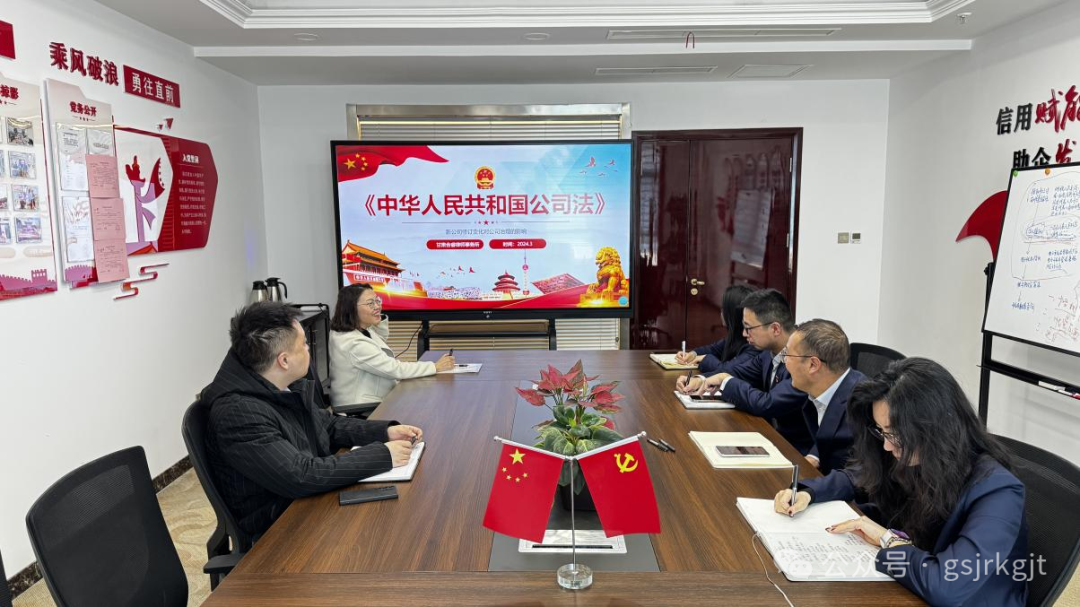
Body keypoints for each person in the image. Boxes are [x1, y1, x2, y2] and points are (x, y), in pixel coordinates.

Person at [774, 358, 1028, 607]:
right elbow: (867, 481)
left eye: (894, 434)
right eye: (882, 431)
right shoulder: (925, 457)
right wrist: (811, 493)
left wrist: (888, 541)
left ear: (936, 426)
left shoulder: (999, 491)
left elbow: (946, 586)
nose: (887, 445)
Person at [204, 301, 423, 538]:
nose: (309, 349)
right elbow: (300, 475)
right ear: (284, 360)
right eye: (304, 344)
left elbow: (327, 425)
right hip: (282, 526)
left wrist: (384, 432)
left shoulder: (278, 383)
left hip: (308, 500)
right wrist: (382, 455)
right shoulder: (239, 413)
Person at [681, 288, 814, 453]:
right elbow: (738, 372)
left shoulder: (803, 359)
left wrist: (724, 379)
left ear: (775, 329)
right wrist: (700, 380)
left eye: (749, 328)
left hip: (798, 451)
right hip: (769, 437)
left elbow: (766, 403)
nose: (744, 334)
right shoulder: (768, 353)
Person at [329, 283, 454, 406]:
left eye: (377, 301)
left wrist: (377, 318)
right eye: (370, 303)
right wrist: (435, 366)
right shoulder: (354, 343)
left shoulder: (354, 329)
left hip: (373, 395)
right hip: (361, 406)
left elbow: (379, 342)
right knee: (429, 402)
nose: (377, 306)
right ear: (351, 308)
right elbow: (395, 369)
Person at [781, 319, 864, 473]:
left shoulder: (859, 410)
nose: (784, 361)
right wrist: (815, 455)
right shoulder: (824, 389)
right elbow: (827, 435)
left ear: (813, 365)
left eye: (787, 354)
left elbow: (856, 475)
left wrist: (804, 487)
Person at [673, 284, 757, 376]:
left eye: (724, 309)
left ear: (734, 314)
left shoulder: (754, 344)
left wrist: (705, 358)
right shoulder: (736, 336)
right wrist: (693, 354)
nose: (721, 312)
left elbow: (725, 371)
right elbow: (713, 349)